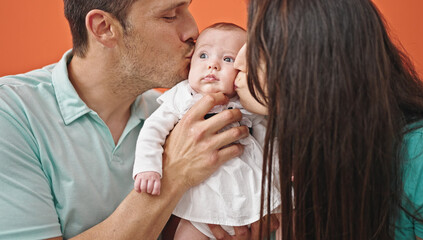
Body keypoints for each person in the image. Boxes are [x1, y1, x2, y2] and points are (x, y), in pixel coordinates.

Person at [0, 0, 262, 239]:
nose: (193, 30)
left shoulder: (174, 112)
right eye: (170, 15)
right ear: (104, 28)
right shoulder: (11, 113)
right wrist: (175, 175)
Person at [233, 0, 423, 239]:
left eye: (259, 47)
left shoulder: (419, 155)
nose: (239, 62)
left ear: (314, 61)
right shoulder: (264, 138)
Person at [132, 22, 281, 239]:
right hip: (202, 205)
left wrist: (279, 176)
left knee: (289, 213)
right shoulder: (182, 98)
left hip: (249, 197)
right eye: (203, 56)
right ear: (189, 65)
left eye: (227, 59)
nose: (212, 65)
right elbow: (152, 130)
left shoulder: (247, 103)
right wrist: (148, 167)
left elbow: (269, 142)